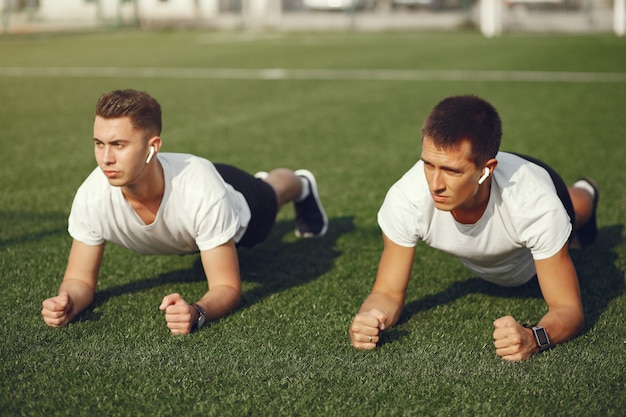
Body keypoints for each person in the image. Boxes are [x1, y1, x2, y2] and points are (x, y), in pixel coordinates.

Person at [41, 89, 328, 335]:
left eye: (119, 145)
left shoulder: (202, 194)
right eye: (99, 144)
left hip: (234, 199)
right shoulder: (92, 197)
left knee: (272, 192)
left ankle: (301, 184)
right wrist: (68, 302)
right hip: (195, 211)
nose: (105, 159)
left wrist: (197, 311)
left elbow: (227, 286)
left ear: (152, 147)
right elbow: (79, 280)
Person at [349, 94, 599, 361]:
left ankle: (588, 190)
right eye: (428, 164)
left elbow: (568, 309)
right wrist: (371, 317)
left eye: (452, 171)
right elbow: (386, 293)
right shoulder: (406, 198)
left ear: (486, 170)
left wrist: (534, 337)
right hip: (508, 209)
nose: (435, 184)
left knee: (576, 211)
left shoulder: (535, 203)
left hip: (538, 195)